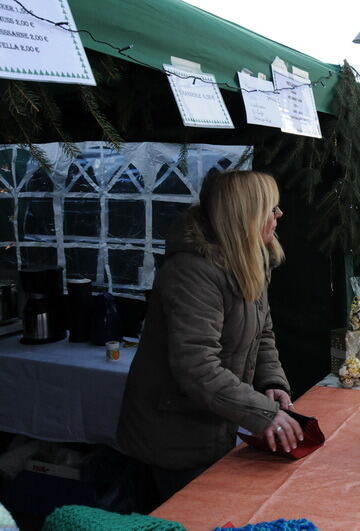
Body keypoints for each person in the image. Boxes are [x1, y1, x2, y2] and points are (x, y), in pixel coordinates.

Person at [117, 170, 302, 508]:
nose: (279, 215)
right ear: (245, 214)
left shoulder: (252, 259)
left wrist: (271, 380)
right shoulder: (192, 270)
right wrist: (263, 413)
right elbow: (196, 365)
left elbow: (263, 332)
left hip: (214, 426)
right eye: (270, 208)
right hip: (174, 436)